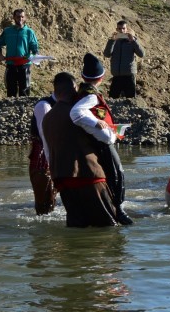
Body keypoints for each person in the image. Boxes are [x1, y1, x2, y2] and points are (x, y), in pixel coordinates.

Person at [42, 71, 118, 228]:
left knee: (77, 228)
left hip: (62, 180)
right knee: (109, 227)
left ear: (55, 92)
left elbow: (48, 151)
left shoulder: (47, 118)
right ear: (75, 88)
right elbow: (107, 138)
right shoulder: (80, 114)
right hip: (89, 176)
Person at [69, 53, 133, 225]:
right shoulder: (90, 96)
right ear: (102, 77)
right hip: (102, 143)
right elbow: (75, 113)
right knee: (117, 174)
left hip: (97, 140)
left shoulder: (84, 92)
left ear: (83, 76)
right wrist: (96, 122)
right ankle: (118, 209)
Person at [28, 80, 58, 215]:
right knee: (44, 206)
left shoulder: (69, 105)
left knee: (52, 199)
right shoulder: (44, 105)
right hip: (42, 157)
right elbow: (44, 135)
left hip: (55, 154)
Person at [0, 9, 39, 97]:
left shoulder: (29, 32)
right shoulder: (8, 31)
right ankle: (10, 109)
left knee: (25, 91)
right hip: (11, 64)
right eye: (18, 17)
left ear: (25, 18)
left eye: (22, 17)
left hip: (24, 65)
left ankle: (24, 109)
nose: (20, 19)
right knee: (11, 90)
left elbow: (34, 47)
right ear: (14, 17)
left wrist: (35, 56)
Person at [103, 20, 145, 98]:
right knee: (112, 98)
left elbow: (142, 54)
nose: (121, 31)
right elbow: (107, 54)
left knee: (130, 100)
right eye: (119, 29)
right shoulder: (113, 41)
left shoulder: (132, 41)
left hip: (129, 75)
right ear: (116, 29)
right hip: (117, 76)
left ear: (126, 29)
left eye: (123, 28)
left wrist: (133, 41)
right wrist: (112, 41)